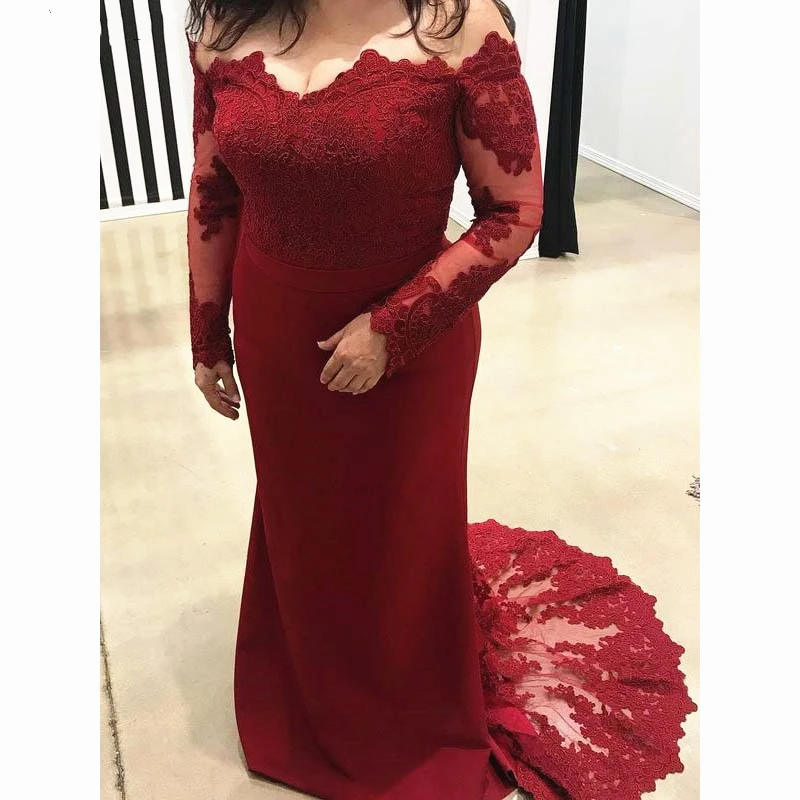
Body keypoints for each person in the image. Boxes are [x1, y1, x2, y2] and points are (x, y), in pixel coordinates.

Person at [185, 1, 696, 798]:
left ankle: (405, 715)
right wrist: (206, 330)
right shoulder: (225, 27)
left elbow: (516, 209)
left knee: (400, 524)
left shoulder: (459, 24)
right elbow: (214, 192)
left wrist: (394, 328)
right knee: (301, 514)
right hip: (275, 328)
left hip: (411, 342)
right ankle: (310, 691)